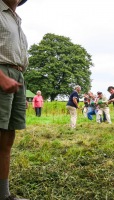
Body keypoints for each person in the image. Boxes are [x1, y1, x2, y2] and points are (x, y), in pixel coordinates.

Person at [0, 0, 29, 200]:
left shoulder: (16, 20)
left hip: (17, 76)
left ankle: (4, 194)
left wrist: (19, 86)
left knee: (7, 138)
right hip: (2, 72)